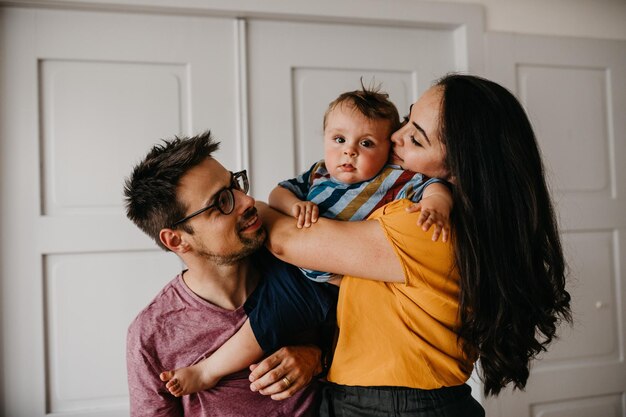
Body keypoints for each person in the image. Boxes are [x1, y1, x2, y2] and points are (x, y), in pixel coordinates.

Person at [254, 74, 572, 417]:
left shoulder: (424, 225)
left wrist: (245, 206)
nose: (394, 136)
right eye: (407, 119)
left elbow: (287, 242)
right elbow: (378, 317)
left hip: (396, 407)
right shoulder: (469, 224)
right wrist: (316, 355)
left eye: (416, 140)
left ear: (457, 170)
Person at [159, 84, 453, 397]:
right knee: (259, 301)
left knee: (268, 320)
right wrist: (292, 205)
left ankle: (208, 370)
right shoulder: (318, 173)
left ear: (386, 148)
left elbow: (434, 187)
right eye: (339, 139)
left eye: (366, 143)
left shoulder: (395, 178)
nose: (349, 151)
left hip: (321, 284)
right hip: (294, 269)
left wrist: (437, 205)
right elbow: (277, 193)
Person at [124, 132, 337, 416]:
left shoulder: (299, 265)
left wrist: (316, 359)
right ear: (176, 240)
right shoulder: (152, 334)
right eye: (222, 201)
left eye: (234, 184)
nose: (247, 200)